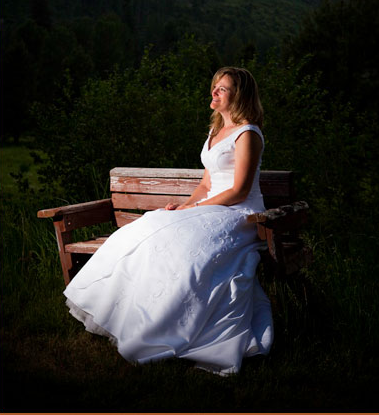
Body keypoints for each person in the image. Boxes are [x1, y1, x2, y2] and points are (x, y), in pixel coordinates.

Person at [64, 66, 273, 375]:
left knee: (184, 248)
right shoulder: (215, 132)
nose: (214, 91)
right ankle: (126, 316)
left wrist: (196, 209)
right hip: (209, 207)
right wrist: (184, 206)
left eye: (223, 88)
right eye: (214, 86)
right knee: (147, 228)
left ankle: (173, 326)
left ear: (239, 96)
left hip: (240, 213)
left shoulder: (248, 134)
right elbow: (206, 184)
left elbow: (239, 190)